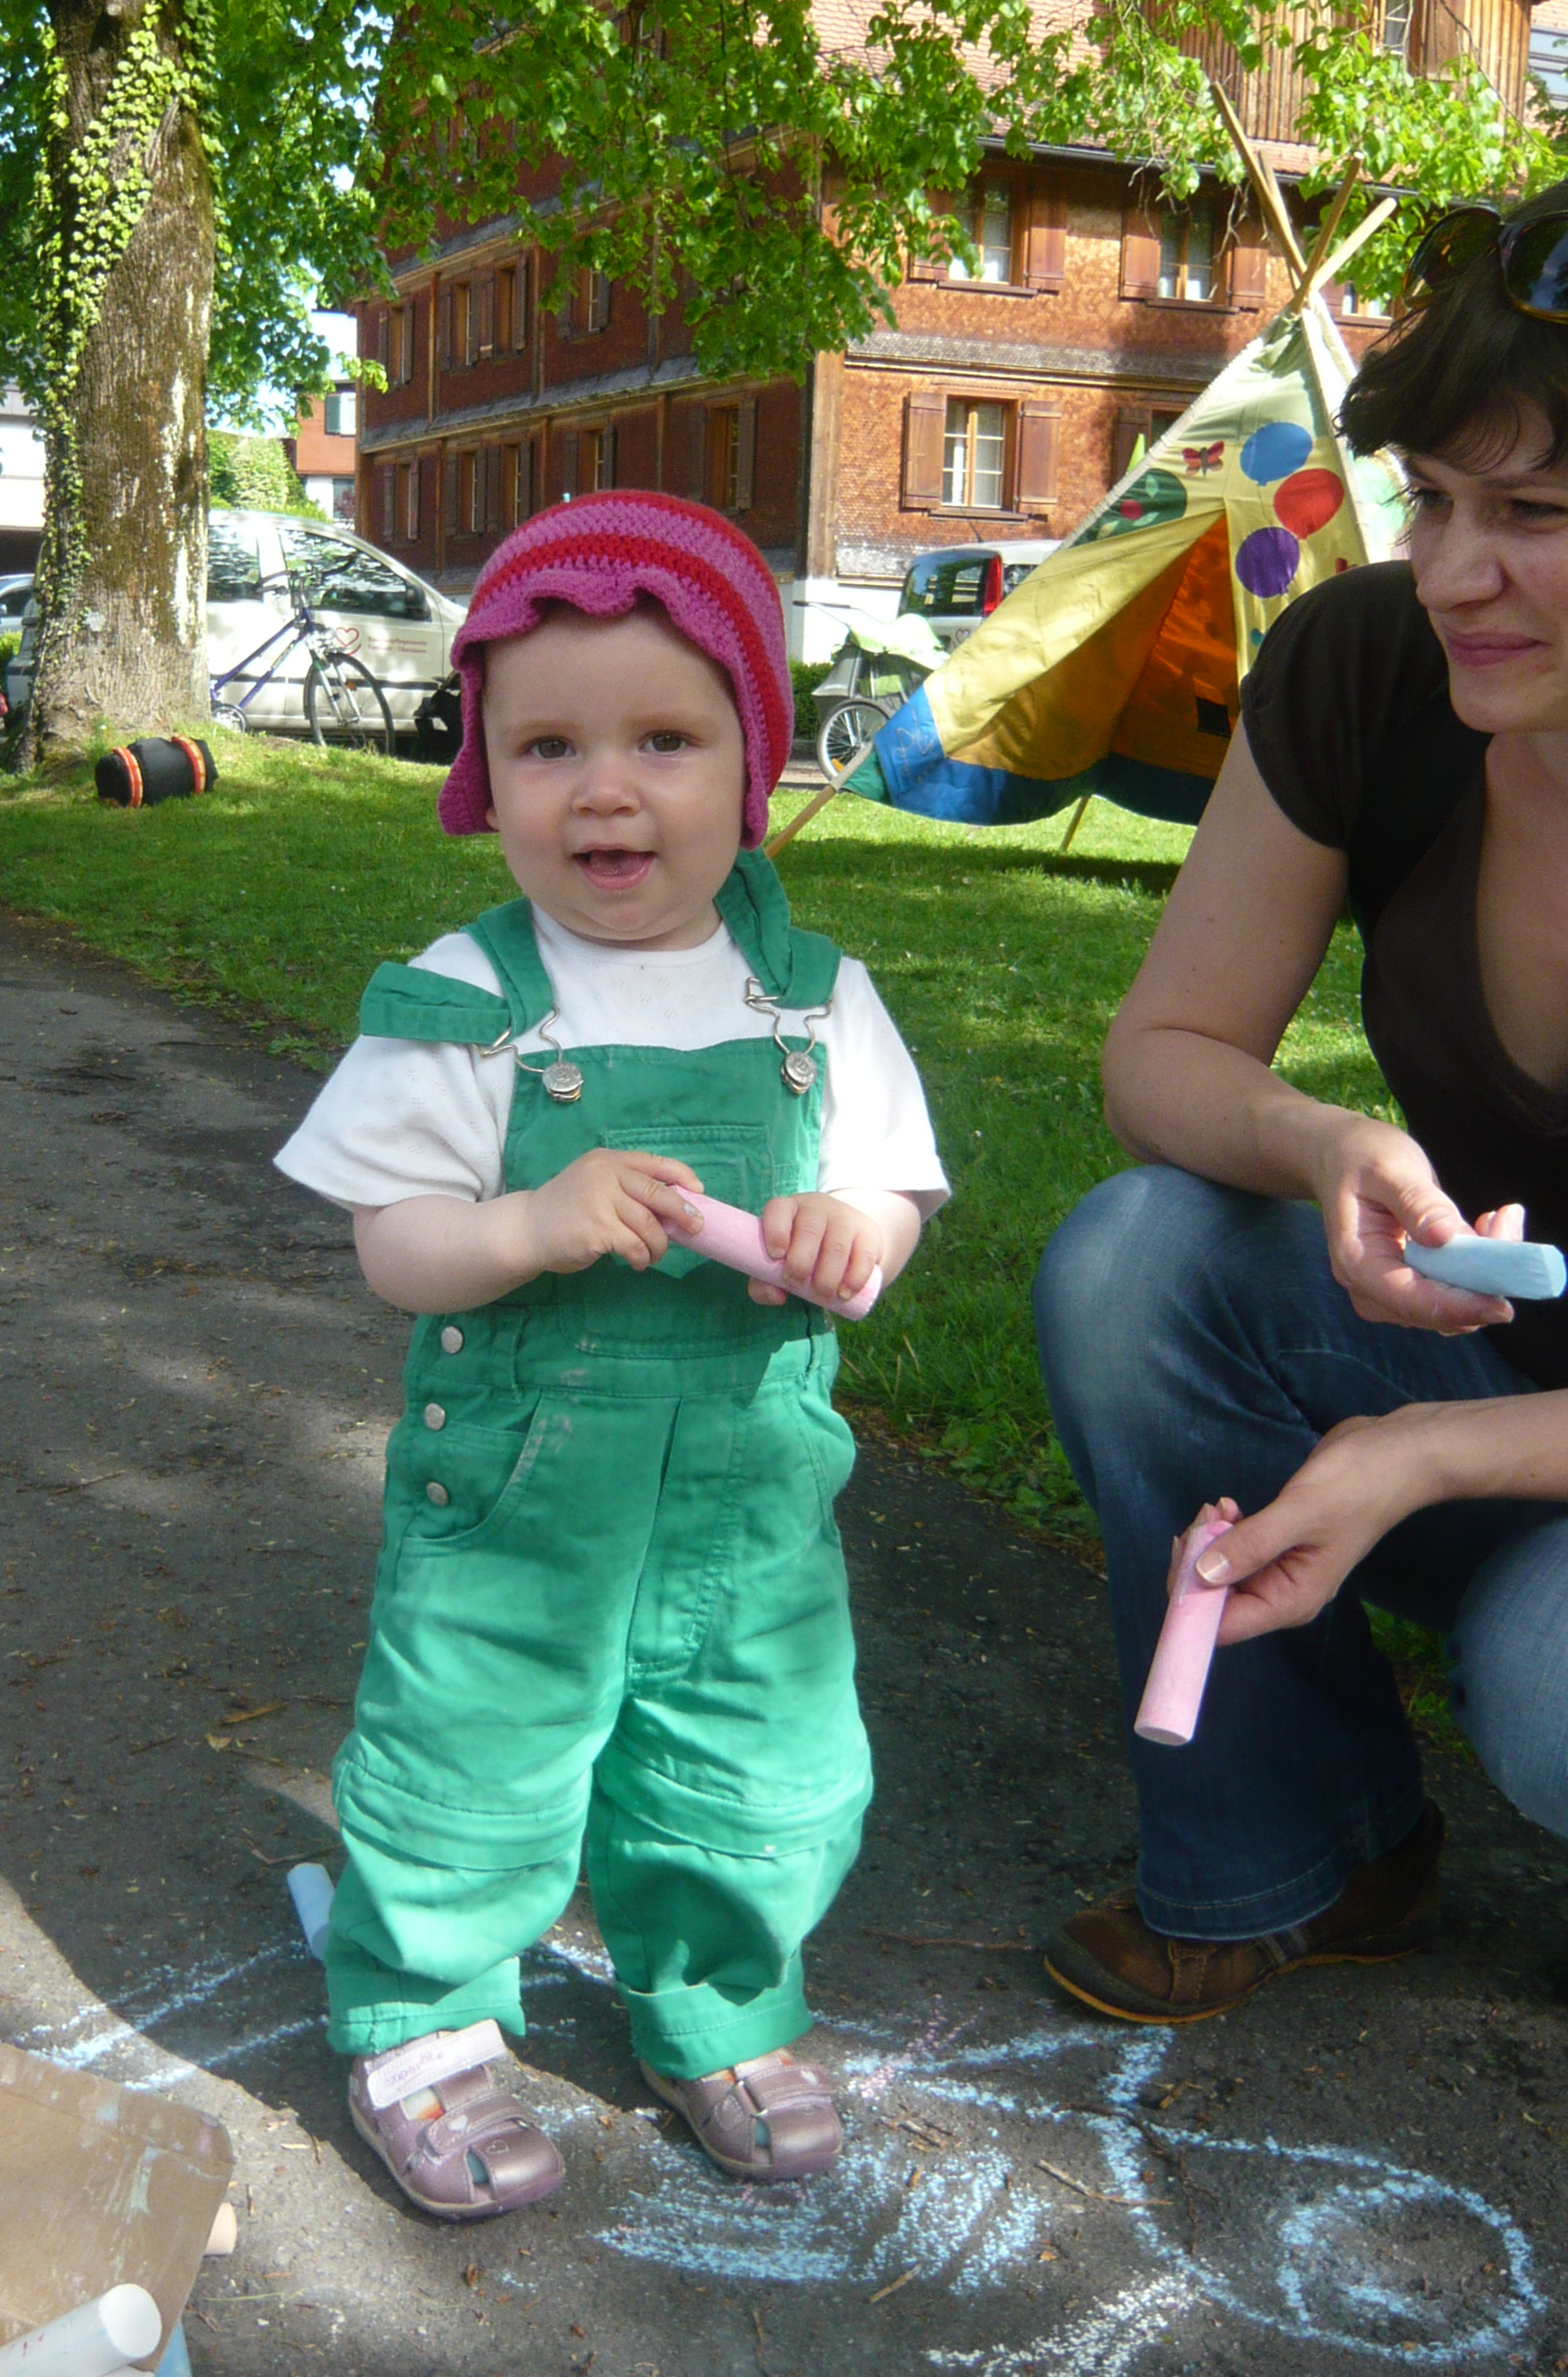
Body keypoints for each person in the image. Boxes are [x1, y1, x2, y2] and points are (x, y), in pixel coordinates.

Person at [276, 491, 948, 2216]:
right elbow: (391, 1242)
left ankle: (719, 1998)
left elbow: (892, 1185)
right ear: (485, 773)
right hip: (522, 1495)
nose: (605, 790)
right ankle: (423, 2014)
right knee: (476, 1740)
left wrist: (856, 1229)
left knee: (756, 1748)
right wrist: (523, 1225)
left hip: (747, 1495)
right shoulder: (471, 998)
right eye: (548, 747)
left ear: (753, 761)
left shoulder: (812, 1001)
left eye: (665, 740)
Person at [1031, 184, 1568, 2024]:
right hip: (1486, 1384)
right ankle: (1303, 1844)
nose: (1453, 573)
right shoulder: (1367, 662)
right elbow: (1165, 1048)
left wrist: (1425, 1457)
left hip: (1502, 1457)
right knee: (1138, 1262)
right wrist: (1324, 1141)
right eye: (1434, 499)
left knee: (1557, 1690)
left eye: (1534, 516)